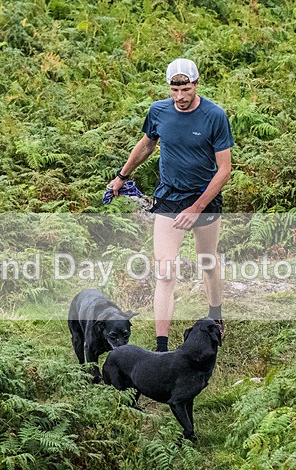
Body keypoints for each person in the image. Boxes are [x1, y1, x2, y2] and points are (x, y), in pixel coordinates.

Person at [108, 58, 234, 352]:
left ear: (196, 84)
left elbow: (225, 169)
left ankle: (215, 315)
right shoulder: (158, 111)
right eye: (175, 90)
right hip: (169, 198)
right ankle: (162, 348)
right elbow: (147, 144)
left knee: (207, 261)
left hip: (204, 198)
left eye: (186, 90)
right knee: (165, 272)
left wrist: (197, 208)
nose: (180, 97)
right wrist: (120, 177)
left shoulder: (214, 116)